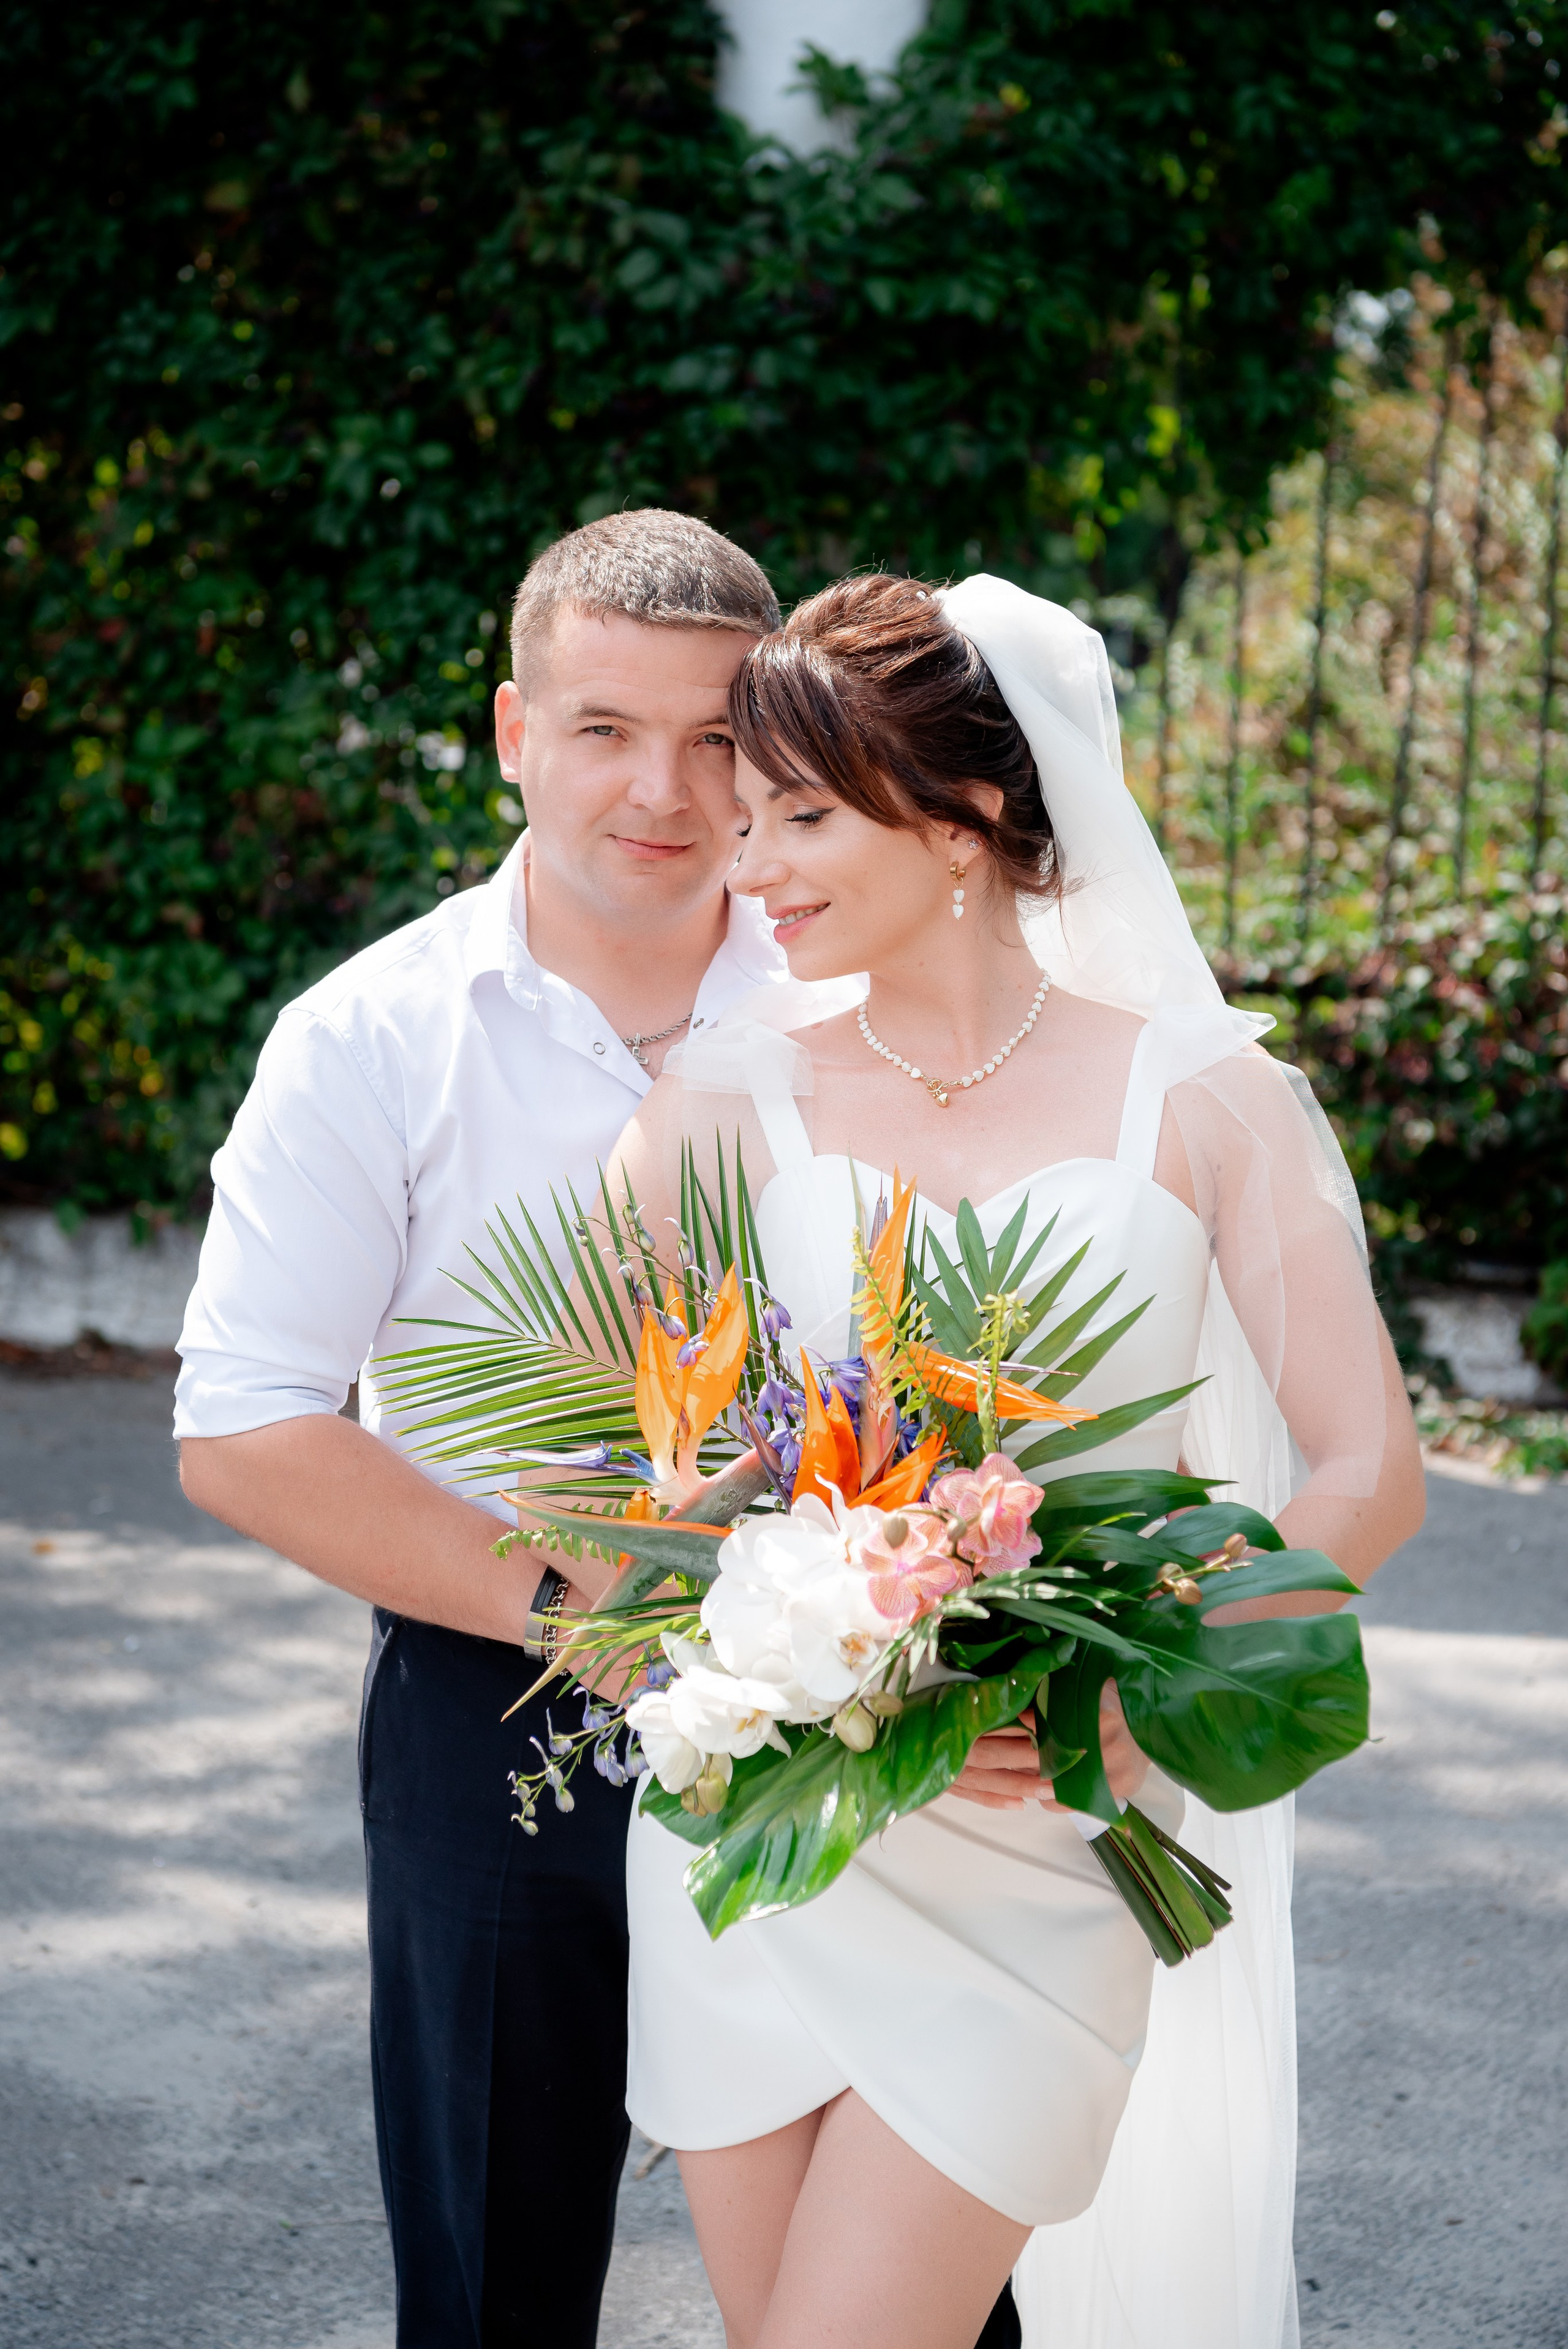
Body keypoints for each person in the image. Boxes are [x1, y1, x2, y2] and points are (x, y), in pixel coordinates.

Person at [600, 572, 1427, 2349]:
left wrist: (1163, 1682)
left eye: (800, 814)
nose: (753, 866)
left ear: (968, 813)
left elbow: (1369, 1461)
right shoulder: (720, 1102)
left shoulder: (1205, 1099)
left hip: (1038, 1826)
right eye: (748, 822)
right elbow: (665, 1475)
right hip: (765, 1834)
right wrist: (786, 1614)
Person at [172, 510, 799, 2349]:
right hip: (497, 1691)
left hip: (858, 1689)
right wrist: (589, 1612)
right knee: (497, 2282)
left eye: (718, 739)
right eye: (607, 728)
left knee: (906, 2274)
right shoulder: (369, 1037)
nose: (664, 791)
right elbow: (245, 1423)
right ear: (516, 732)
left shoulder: (857, 988)